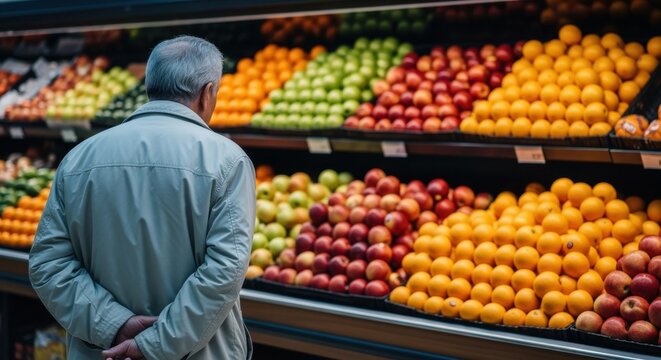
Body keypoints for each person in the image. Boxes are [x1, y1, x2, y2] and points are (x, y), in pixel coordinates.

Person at [28, 36, 255, 360]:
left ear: (150, 83)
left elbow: (48, 263)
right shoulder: (226, 161)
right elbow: (223, 271)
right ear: (207, 93)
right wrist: (153, 345)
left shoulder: (78, 158)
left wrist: (114, 325)